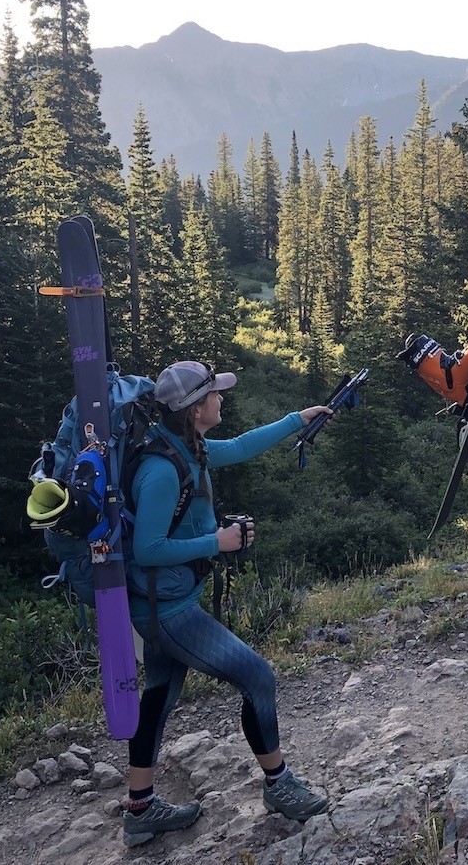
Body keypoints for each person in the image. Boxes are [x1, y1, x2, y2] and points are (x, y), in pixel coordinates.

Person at [119, 360, 333, 846]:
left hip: (163, 601)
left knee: (159, 695)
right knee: (258, 676)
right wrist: (218, 541)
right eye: (215, 393)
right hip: (168, 611)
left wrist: (297, 419)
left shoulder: (185, 448)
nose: (222, 398)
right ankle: (279, 785)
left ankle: (141, 808)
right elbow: (147, 549)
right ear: (195, 409)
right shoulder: (162, 470)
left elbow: (238, 447)